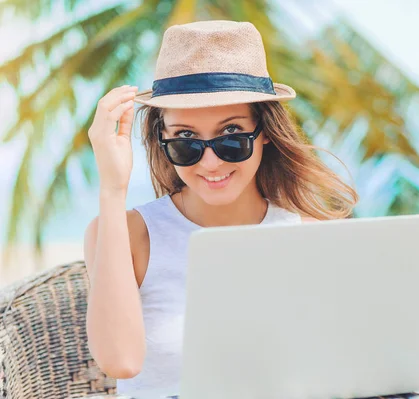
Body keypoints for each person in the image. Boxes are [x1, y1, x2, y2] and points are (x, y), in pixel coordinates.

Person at [83, 20, 358, 396]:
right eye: (185, 139)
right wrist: (113, 190)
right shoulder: (128, 233)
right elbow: (121, 362)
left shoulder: (310, 235)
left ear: (265, 134)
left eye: (231, 137)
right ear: (160, 140)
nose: (210, 163)